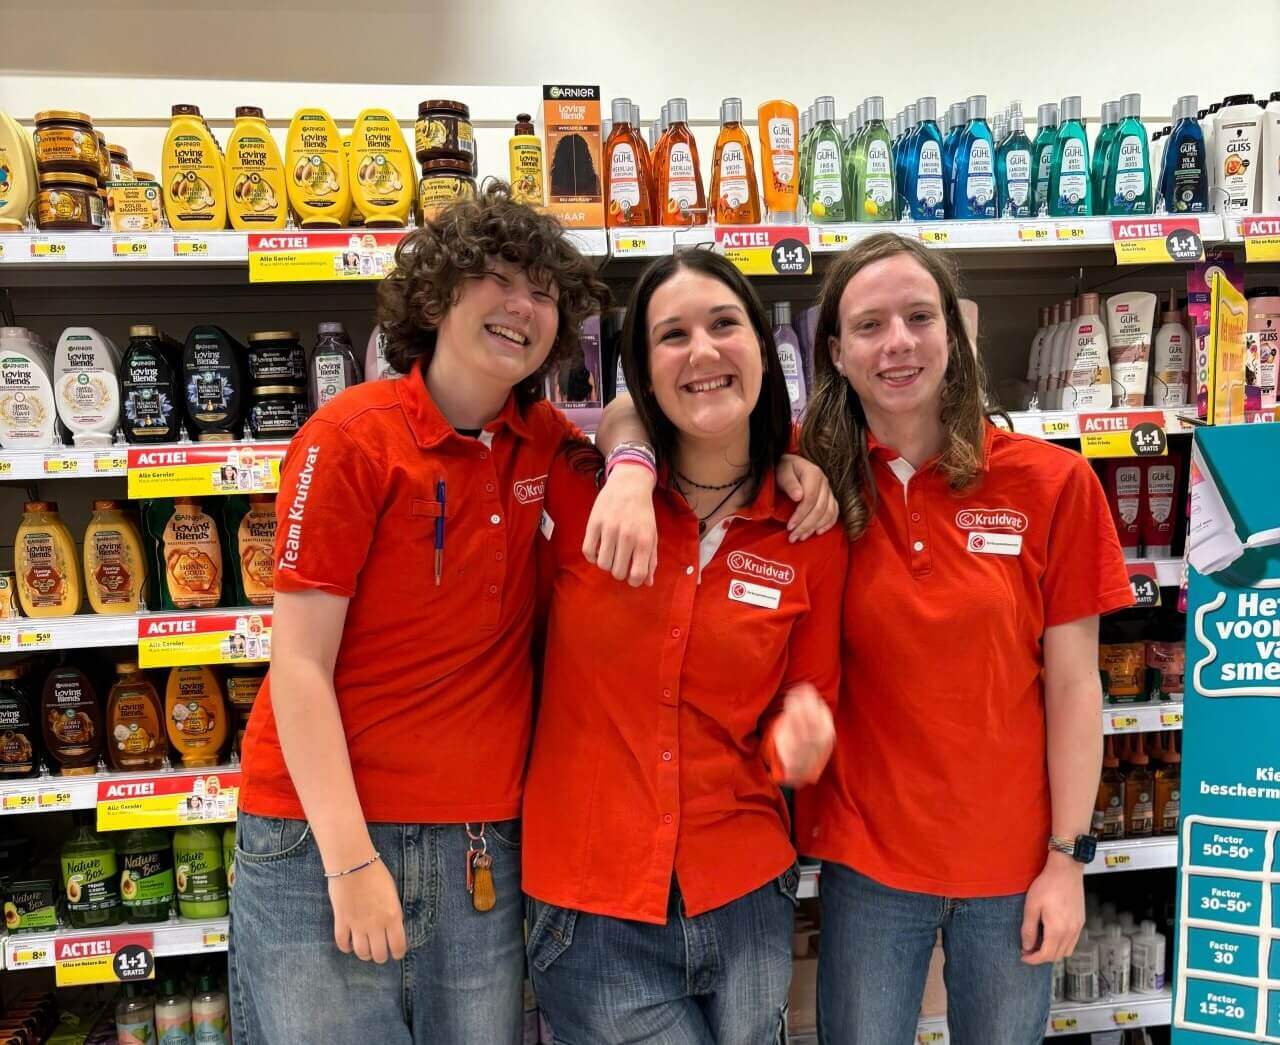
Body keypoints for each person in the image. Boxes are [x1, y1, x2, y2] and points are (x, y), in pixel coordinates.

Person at [229, 185, 834, 1045]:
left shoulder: (544, 442)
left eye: (545, 291)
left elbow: (638, 407)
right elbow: (296, 666)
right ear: (436, 295)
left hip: (481, 838)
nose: (523, 305)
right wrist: (349, 857)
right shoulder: (349, 438)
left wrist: (658, 463)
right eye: (497, 279)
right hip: (323, 829)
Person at [794, 233, 1134, 1045]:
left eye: (919, 316)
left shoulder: (1052, 483)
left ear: (954, 332)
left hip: (1013, 869)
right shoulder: (811, 483)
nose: (899, 342)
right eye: (870, 325)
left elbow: (1075, 686)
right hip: (868, 867)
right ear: (837, 353)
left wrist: (1068, 859)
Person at [524, 250, 848, 1044]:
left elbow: (799, 719)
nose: (702, 352)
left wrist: (798, 743)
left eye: (724, 324)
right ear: (642, 369)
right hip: (593, 908)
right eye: (672, 335)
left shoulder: (807, 526)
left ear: (765, 355)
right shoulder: (578, 489)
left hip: (744, 894)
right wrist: (629, 465)